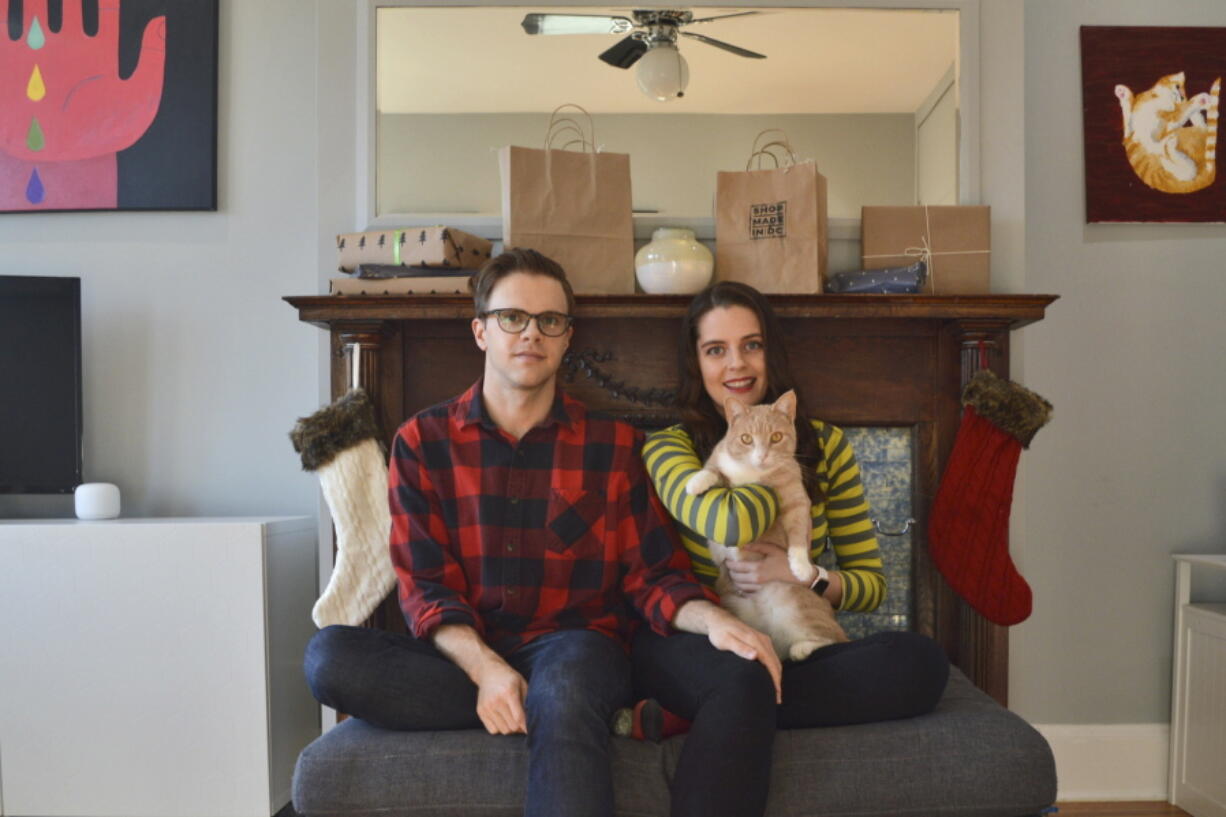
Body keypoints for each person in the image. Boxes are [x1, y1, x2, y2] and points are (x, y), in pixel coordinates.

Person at [303, 249, 785, 817]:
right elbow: (426, 589)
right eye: (513, 318)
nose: (531, 334)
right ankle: (520, 699)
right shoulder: (422, 442)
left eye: (549, 321)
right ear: (481, 331)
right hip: (465, 657)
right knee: (328, 657)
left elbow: (654, 575)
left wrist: (718, 622)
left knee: (569, 680)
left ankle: (557, 702)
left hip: (577, 647)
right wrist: (487, 671)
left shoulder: (612, 445)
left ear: (566, 337)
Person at [633, 279, 950, 740]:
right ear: (696, 363)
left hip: (792, 630)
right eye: (716, 350)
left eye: (752, 345)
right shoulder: (668, 449)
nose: (737, 363)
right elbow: (731, 521)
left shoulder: (825, 444)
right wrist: (773, 470)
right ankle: (736, 697)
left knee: (920, 663)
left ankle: (708, 711)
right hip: (716, 639)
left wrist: (801, 573)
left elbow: (871, 586)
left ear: (772, 352)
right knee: (731, 673)